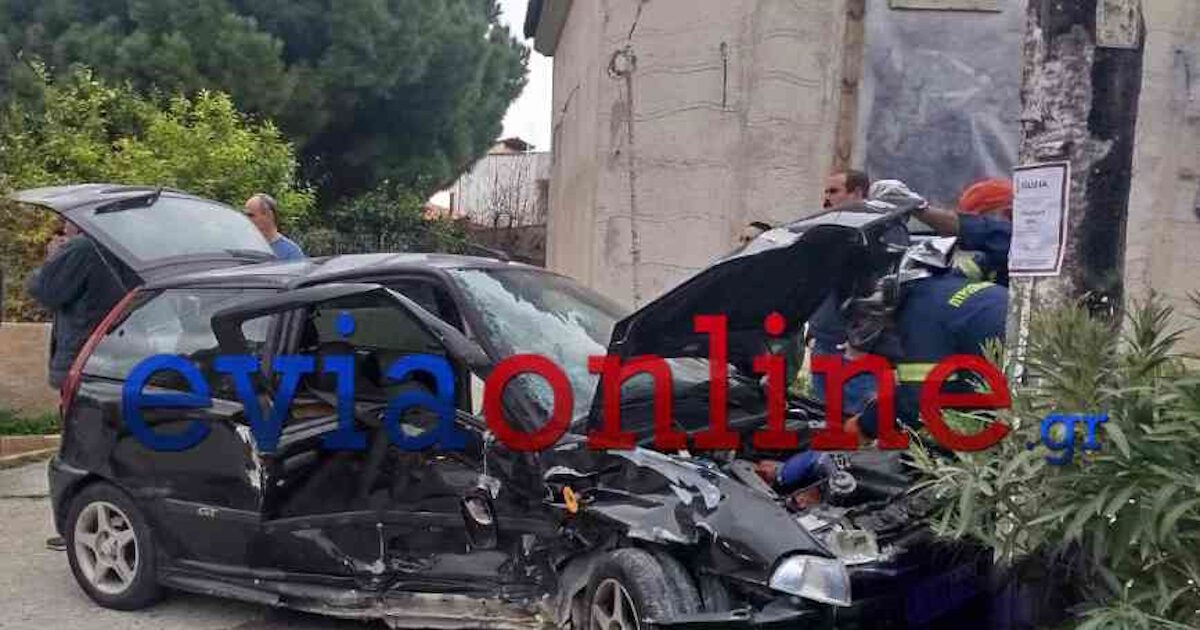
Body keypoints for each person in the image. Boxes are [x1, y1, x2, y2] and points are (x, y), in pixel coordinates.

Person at [25, 220, 130, 389]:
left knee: (81, 402)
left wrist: (53, 258)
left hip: (82, 351)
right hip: (121, 346)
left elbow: (47, 291)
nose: (65, 228)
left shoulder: (82, 247)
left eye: (67, 221)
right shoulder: (124, 243)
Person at [807, 169, 875, 415]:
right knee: (824, 416)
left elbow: (875, 290)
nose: (826, 199)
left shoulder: (870, 235)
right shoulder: (831, 231)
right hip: (823, 342)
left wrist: (859, 340)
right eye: (825, 192)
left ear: (856, 193)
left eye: (834, 191)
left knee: (856, 420)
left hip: (850, 348)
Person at [904, 178, 1013, 287]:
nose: (975, 225)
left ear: (1010, 213)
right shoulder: (989, 258)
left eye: (980, 219)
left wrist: (915, 206)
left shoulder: (1013, 241)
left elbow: (969, 229)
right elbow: (963, 274)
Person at [244, 193, 305, 260]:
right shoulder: (244, 248)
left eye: (250, 215)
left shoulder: (291, 253)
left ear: (269, 215)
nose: (246, 219)